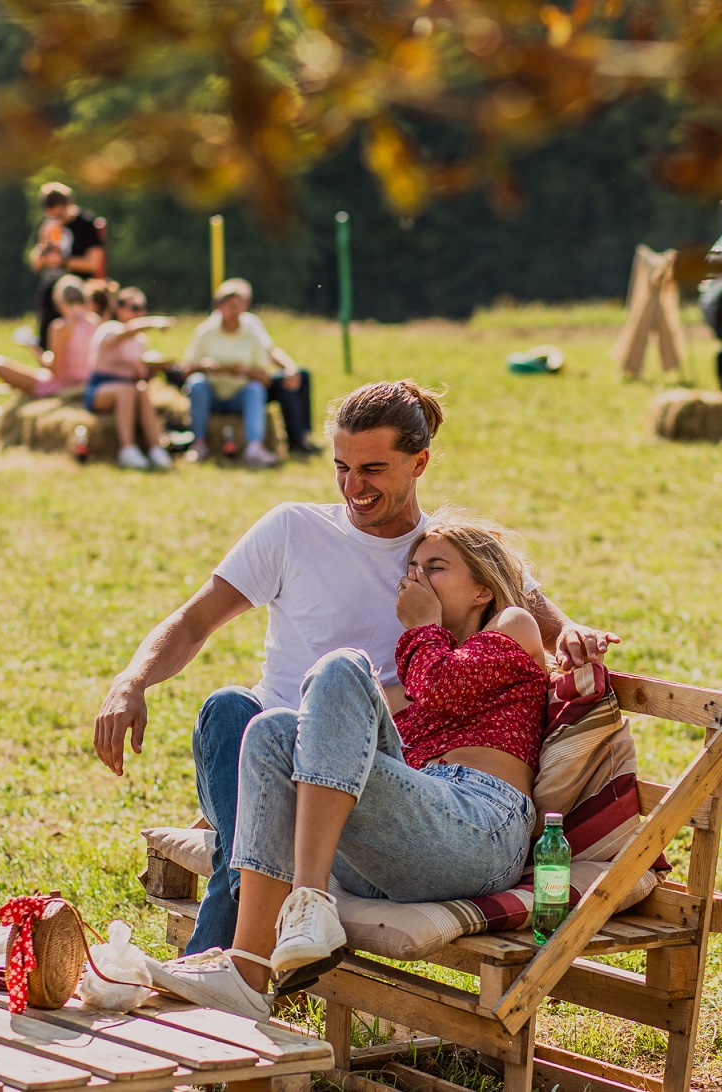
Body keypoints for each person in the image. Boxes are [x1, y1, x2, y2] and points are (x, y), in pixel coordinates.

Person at [92, 380, 618, 955]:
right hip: (277, 750)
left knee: (343, 673)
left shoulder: (445, 557)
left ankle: (225, 961)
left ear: (419, 463)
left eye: (372, 469)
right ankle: (244, 943)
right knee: (229, 710)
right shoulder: (292, 528)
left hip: (372, 773)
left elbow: (528, 609)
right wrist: (132, 679)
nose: (352, 487)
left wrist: (571, 632)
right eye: (341, 466)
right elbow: (193, 622)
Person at [149, 517, 547, 1019]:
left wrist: (421, 627)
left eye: (436, 568)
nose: (416, 580)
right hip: (398, 849)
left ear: (482, 590)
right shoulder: (420, 667)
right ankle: (248, 971)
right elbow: (335, 738)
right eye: (412, 569)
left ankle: (308, 902)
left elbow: (448, 687)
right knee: (274, 730)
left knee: (342, 666)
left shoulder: (511, 626)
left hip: (481, 828)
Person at [181, 279, 279, 468]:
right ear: (219, 307)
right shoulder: (204, 332)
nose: (234, 311)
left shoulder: (252, 335)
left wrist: (246, 372)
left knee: (255, 389)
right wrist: (203, 366)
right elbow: (186, 369)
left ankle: (254, 448)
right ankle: (198, 444)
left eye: (238, 306)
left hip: (239, 396)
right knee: (196, 384)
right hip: (211, 395)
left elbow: (266, 378)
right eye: (230, 306)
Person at [86, 286, 175, 470]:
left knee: (140, 389)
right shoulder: (109, 329)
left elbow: (139, 373)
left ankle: (156, 448)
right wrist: (153, 323)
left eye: (142, 308)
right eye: (135, 308)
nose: (140, 313)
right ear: (119, 309)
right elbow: (124, 334)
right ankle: (127, 448)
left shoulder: (141, 341)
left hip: (130, 389)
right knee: (126, 390)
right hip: (100, 388)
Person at [235, 280, 320, 456]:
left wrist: (290, 367)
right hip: (244, 384)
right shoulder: (215, 329)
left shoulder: (251, 323)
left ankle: (302, 435)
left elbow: (270, 350)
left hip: (261, 378)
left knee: (299, 376)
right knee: (283, 383)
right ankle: (296, 440)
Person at [29, 182, 106, 351]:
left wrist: (62, 261)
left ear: (69, 205)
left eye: (60, 213)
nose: (58, 218)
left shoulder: (86, 224)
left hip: (79, 293)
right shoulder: (47, 225)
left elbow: (93, 263)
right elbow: (36, 263)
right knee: (47, 341)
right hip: (52, 292)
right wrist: (44, 243)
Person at [0, 277, 98, 397]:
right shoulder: (95, 321)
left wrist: (33, 347)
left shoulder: (61, 327)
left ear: (60, 303)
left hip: (62, 386)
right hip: (89, 383)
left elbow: (55, 371)